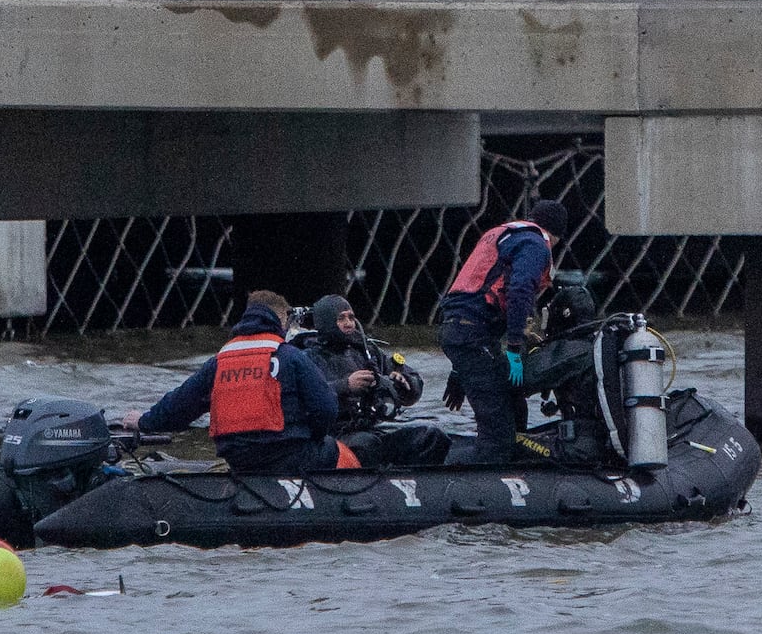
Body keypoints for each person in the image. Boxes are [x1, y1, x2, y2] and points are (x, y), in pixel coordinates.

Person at [130, 290, 356, 473]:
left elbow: (180, 406)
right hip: (288, 456)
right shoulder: (289, 355)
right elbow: (326, 407)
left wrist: (144, 422)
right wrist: (315, 437)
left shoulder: (221, 359)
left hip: (239, 459)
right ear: (281, 319)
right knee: (341, 451)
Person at [435, 198, 569, 464]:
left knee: (514, 404)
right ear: (556, 234)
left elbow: (474, 295)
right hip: (473, 336)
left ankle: (512, 464)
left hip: (459, 331)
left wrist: (459, 369)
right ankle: (481, 483)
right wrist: (516, 348)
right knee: (498, 433)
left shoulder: (503, 234)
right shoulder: (536, 245)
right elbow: (519, 291)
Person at [294, 294, 448, 469]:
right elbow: (302, 399)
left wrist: (402, 382)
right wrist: (346, 386)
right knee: (365, 444)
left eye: (351, 317)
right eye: (341, 318)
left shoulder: (367, 351)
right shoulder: (308, 357)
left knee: (431, 435)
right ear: (326, 322)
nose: (348, 323)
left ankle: (415, 484)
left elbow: (411, 381)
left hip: (372, 428)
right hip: (334, 435)